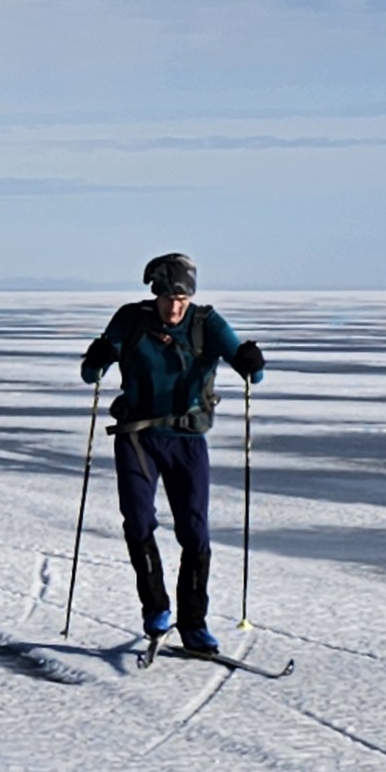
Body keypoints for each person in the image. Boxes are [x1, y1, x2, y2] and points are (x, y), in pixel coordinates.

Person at [81, 251, 264, 656]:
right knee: (138, 520)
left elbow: (252, 371)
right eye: (167, 298)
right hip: (137, 437)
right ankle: (156, 609)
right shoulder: (131, 319)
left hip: (187, 441)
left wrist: (251, 362)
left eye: (182, 299)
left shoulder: (206, 323)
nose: (174, 307)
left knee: (194, 531)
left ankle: (194, 624)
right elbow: (91, 373)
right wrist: (96, 358)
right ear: (155, 294)